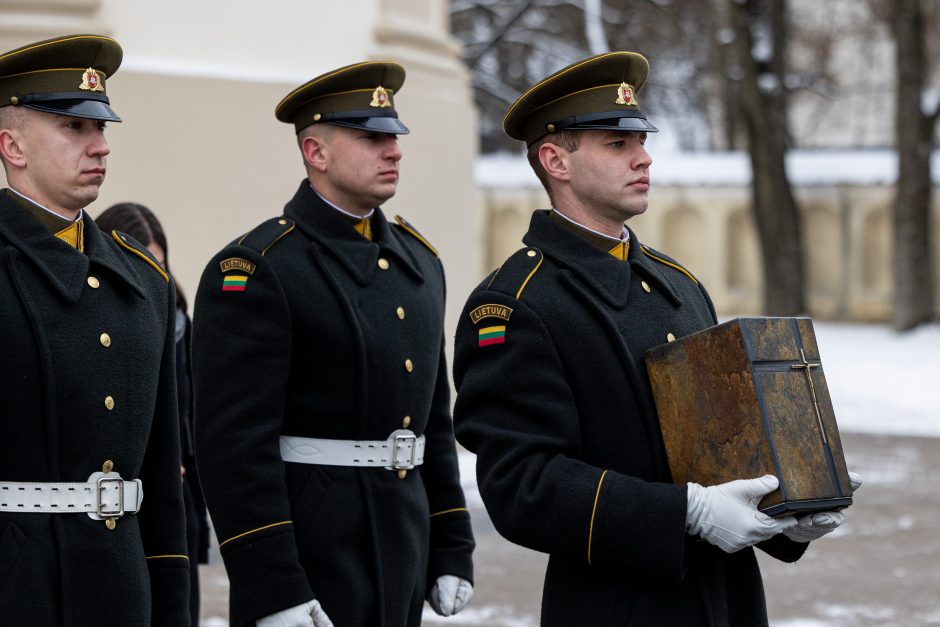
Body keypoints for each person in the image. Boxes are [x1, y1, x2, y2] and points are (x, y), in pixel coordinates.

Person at [452, 51, 860, 626]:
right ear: (555, 160)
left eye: (640, 140)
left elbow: (721, 442)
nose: (644, 158)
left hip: (727, 598)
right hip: (616, 603)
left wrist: (788, 508)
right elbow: (522, 485)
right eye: (617, 145)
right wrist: (684, 513)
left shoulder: (677, 283)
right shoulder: (516, 304)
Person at [192, 61, 475, 627]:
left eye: (393, 136)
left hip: (401, 540)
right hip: (312, 551)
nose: (393, 150)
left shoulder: (419, 263)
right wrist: (273, 585)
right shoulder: (260, 267)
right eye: (371, 138)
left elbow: (433, 422)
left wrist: (452, 545)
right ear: (316, 153)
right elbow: (233, 447)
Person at [0, 35, 189, 624]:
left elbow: (160, 473)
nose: (100, 146)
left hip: (122, 588)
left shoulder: (142, 277)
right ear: (12, 146)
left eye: (102, 128)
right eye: (74, 129)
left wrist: (173, 607)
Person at [95, 202, 210, 626]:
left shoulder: (177, 318)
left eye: (158, 262)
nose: (149, 273)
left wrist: (193, 508)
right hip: (116, 500)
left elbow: (188, 414)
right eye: (138, 260)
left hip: (172, 497)